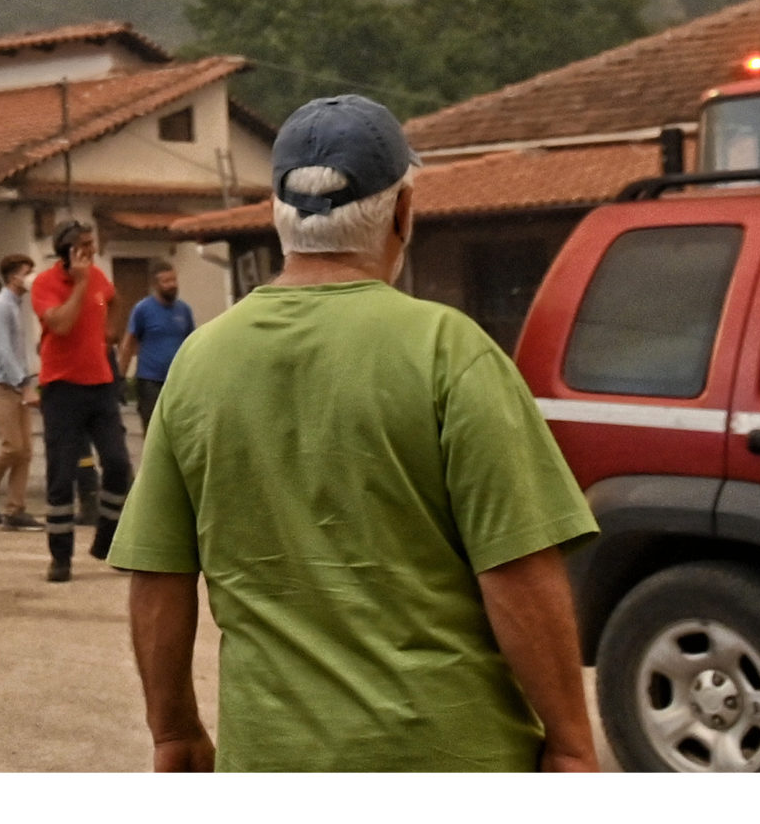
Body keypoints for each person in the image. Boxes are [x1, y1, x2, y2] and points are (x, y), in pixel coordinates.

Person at [110, 95, 599, 773]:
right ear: (402, 212)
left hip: (270, 764)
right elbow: (517, 570)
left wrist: (174, 732)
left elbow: (159, 572)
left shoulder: (199, 362)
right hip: (450, 758)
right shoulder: (449, 351)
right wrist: (571, 741)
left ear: (278, 215)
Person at [30, 221, 129, 584]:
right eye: (85, 245)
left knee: (118, 464)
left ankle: (107, 541)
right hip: (62, 389)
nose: (92, 250)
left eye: (92, 243)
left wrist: (110, 332)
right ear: (67, 251)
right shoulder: (44, 284)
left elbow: (115, 300)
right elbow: (61, 325)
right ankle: (60, 557)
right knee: (62, 474)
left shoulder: (100, 277)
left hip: (101, 384)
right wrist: (81, 284)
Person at [0, 255, 39, 528]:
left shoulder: (15, 306)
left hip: (17, 383)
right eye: (28, 272)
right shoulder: (0, 306)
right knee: (12, 445)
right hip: (1, 385)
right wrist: (24, 385)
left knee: (25, 450)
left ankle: (15, 509)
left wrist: (28, 381)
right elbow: (3, 351)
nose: (32, 277)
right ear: (14, 277)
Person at [118, 264, 195, 433]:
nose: (172, 284)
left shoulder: (184, 310)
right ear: (155, 285)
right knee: (154, 430)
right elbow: (128, 343)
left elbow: (192, 344)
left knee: (180, 429)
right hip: (150, 381)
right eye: (166, 281)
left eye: (174, 280)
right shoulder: (142, 309)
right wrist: (121, 377)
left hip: (177, 380)